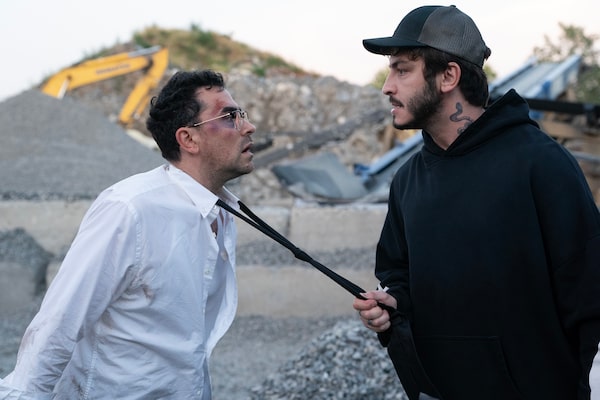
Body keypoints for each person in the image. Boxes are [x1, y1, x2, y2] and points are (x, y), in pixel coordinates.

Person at [352, 5, 600, 400]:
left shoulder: (540, 164)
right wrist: (392, 302)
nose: (387, 87)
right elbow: (398, 273)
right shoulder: (408, 180)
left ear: (448, 76)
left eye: (402, 70)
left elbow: (590, 295)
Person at [0, 70, 255, 399]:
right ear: (188, 139)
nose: (248, 126)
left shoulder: (220, 211)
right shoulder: (130, 209)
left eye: (241, 114)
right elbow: (60, 320)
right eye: (230, 116)